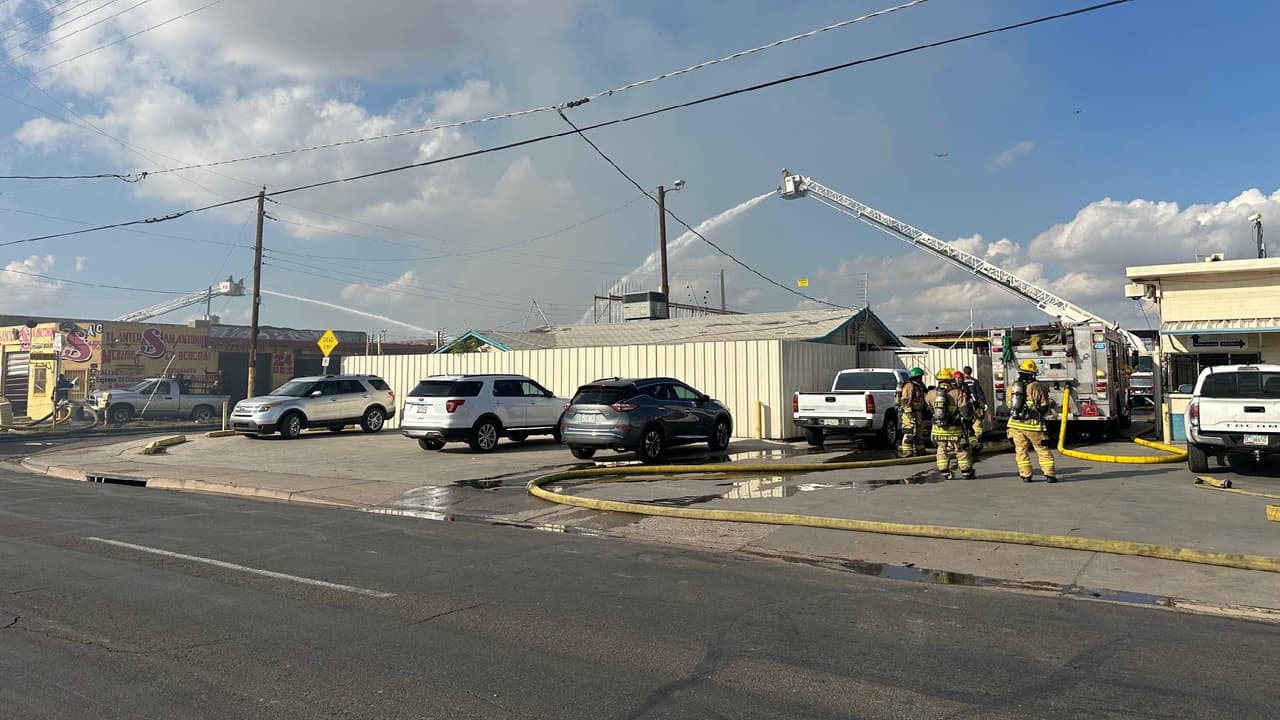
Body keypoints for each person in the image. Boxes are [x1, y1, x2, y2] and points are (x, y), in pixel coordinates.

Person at [1005, 359, 1058, 483]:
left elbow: (1009, 405)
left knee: (1021, 450)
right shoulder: (1038, 387)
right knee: (1042, 449)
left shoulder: (1011, 387)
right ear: (1033, 373)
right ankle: (1050, 475)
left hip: (1015, 426)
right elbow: (1044, 406)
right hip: (1034, 427)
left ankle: (1026, 475)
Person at [925, 368, 974, 479]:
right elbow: (965, 411)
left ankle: (944, 472)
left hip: (938, 428)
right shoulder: (957, 392)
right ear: (951, 379)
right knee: (960, 448)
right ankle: (966, 472)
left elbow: (927, 407)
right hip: (955, 428)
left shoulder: (931, 393)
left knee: (941, 448)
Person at [897, 367, 928, 458]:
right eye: (920, 376)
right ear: (916, 377)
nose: (921, 378)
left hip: (918, 412)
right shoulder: (909, 386)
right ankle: (907, 451)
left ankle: (920, 450)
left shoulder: (919, 386)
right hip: (909, 413)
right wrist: (909, 413)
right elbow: (905, 400)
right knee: (909, 432)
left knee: (919, 432)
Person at [955, 368, 985, 453]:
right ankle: (960, 445)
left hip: (965, 411)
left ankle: (973, 444)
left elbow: (972, 397)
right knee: (959, 429)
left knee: (969, 428)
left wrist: (977, 406)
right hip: (956, 413)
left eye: (961, 379)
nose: (959, 381)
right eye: (958, 379)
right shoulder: (953, 389)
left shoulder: (966, 387)